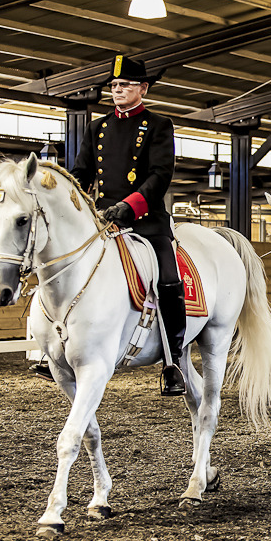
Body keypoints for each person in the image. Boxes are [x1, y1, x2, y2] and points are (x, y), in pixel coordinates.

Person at [35, 55, 186, 395]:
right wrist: (64, 196)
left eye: (125, 85)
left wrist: (128, 206)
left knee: (167, 276)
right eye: (114, 86)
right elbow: (82, 174)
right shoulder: (97, 127)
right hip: (102, 219)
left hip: (145, 219)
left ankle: (172, 360)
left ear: (142, 88)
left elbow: (159, 175)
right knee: (63, 266)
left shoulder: (159, 125)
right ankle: (53, 349)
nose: (117, 90)